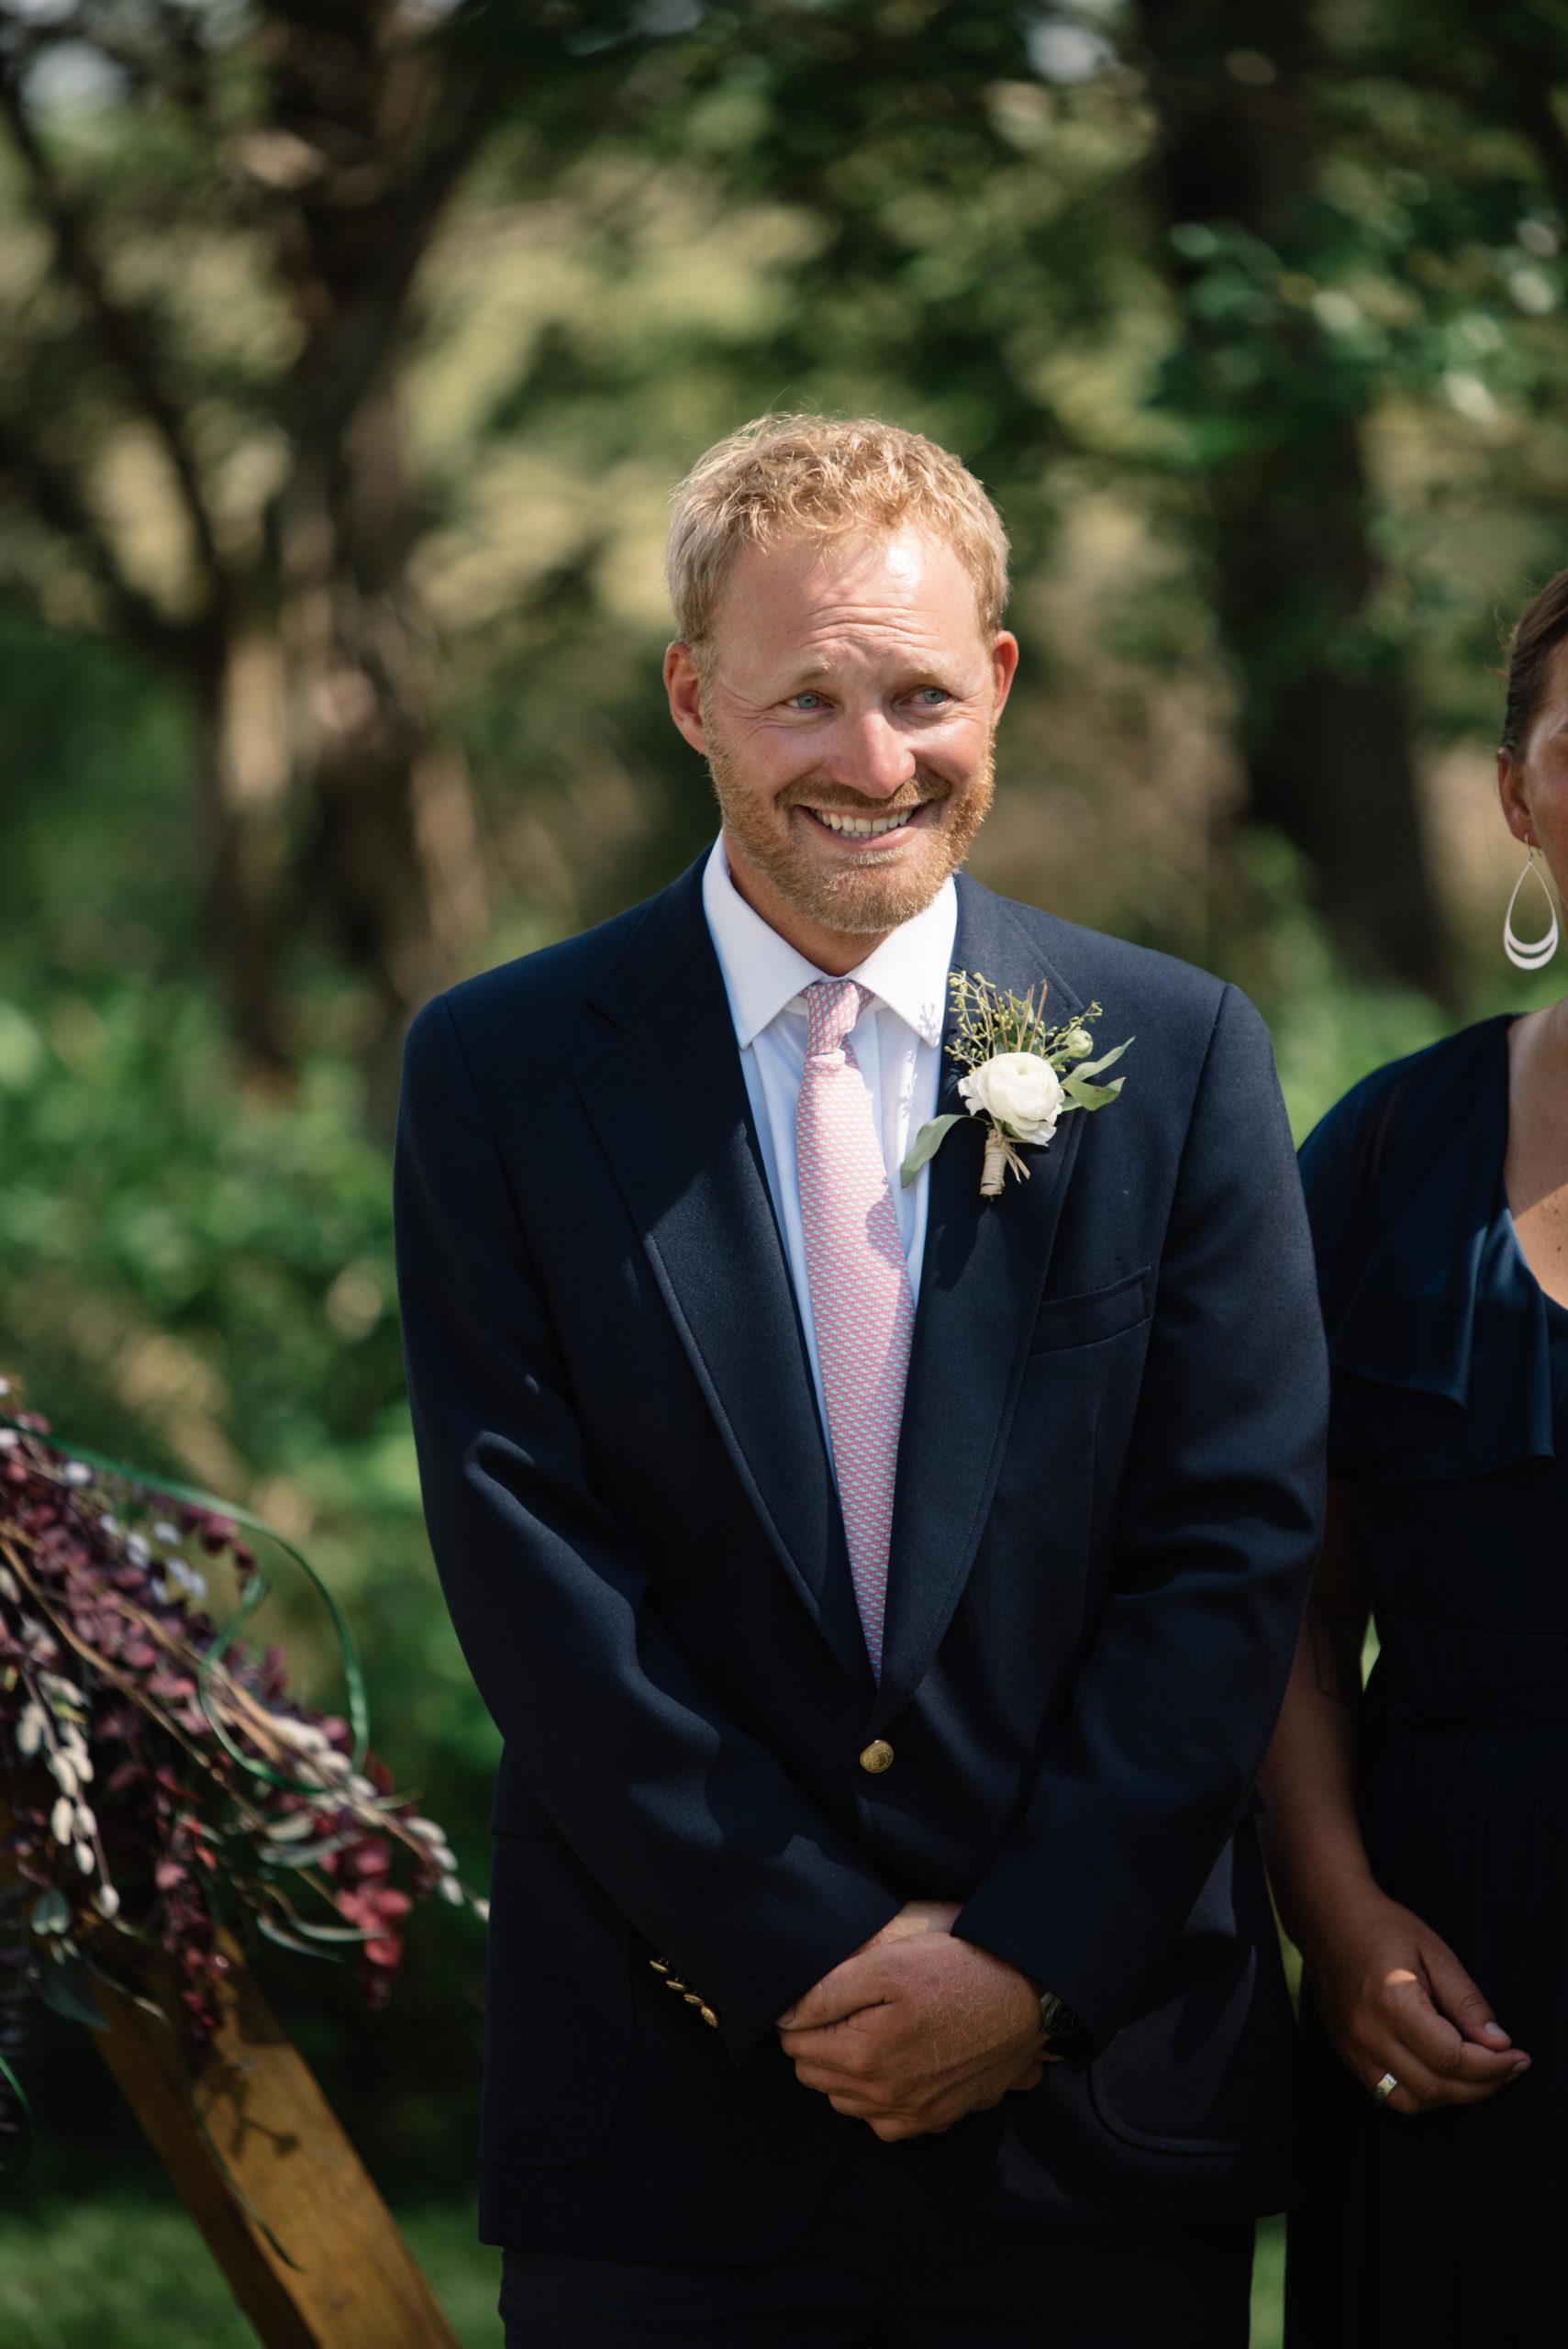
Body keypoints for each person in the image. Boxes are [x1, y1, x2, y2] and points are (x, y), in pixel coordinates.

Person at [393, 412, 1327, 2348]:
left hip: (1095, 2109)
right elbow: (524, 1550)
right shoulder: (498, 1068)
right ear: (692, 699)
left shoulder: (1178, 1050)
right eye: (803, 695)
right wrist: (803, 1943)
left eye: (917, 690)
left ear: (996, 680)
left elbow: (1229, 1542)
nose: (872, 759)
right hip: (677, 2109)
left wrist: (1030, 1963)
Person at [1261, 569, 1568, 2347]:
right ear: (1519, 791)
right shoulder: (1383, 1152)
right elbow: (1286, 1605)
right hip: (1450, 1986)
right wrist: (1341, 1910)